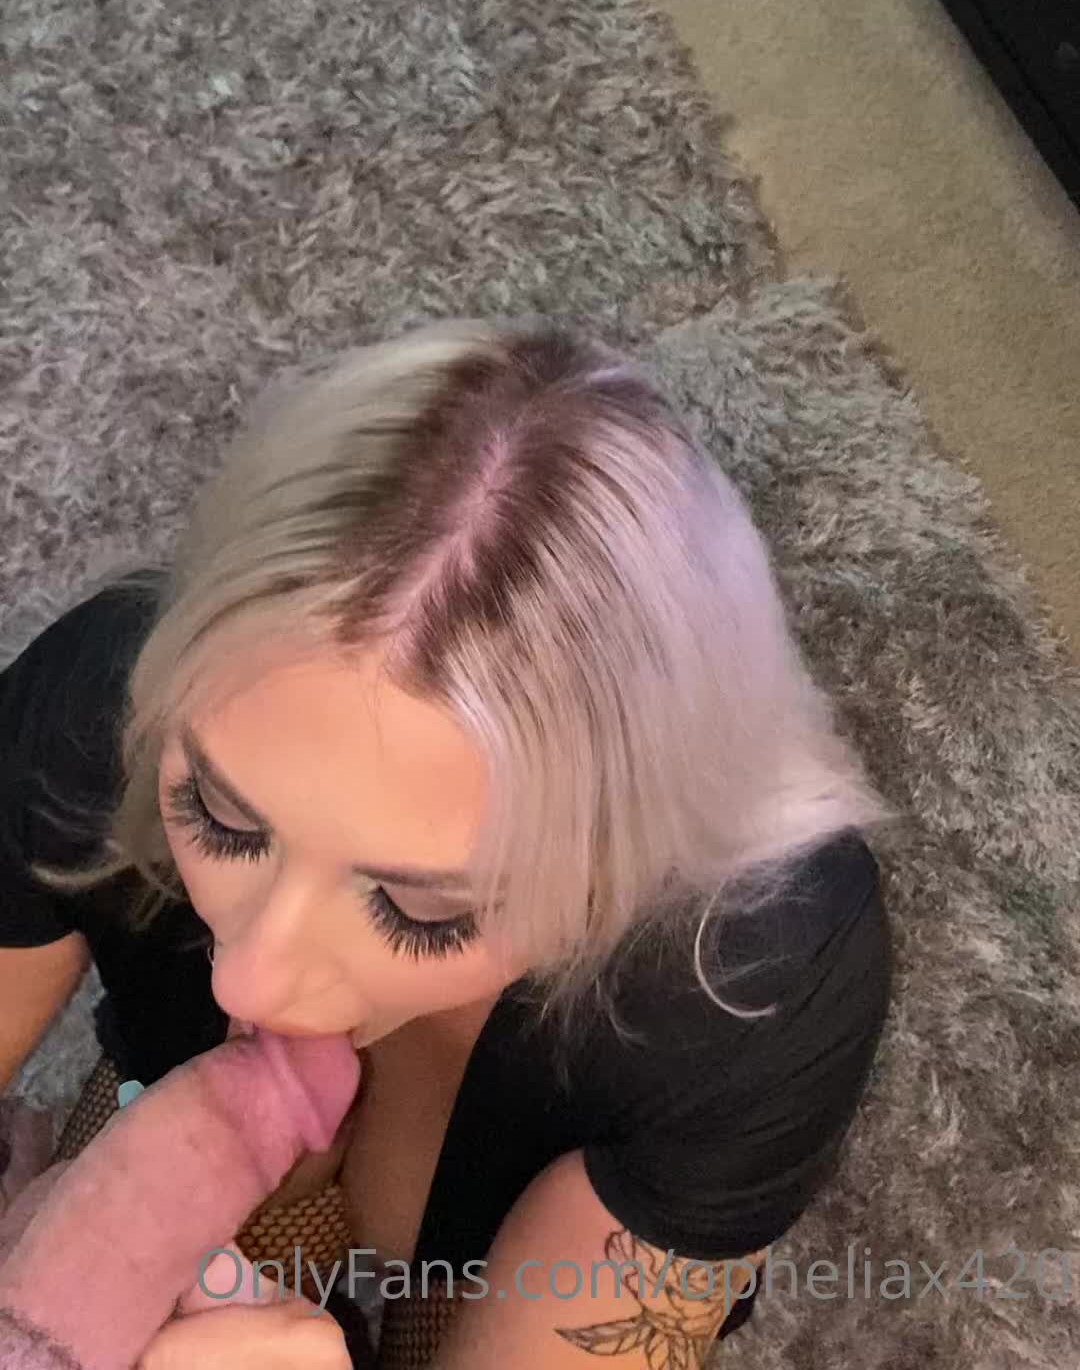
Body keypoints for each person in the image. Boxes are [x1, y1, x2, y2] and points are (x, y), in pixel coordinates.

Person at [0, 317, 892, 1369]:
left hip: (481, 1247)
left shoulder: (754, 984)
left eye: (423, 909)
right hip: (179, 1106)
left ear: (617, 877)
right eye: (221, 816)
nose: (250, 981)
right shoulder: (100, 712)